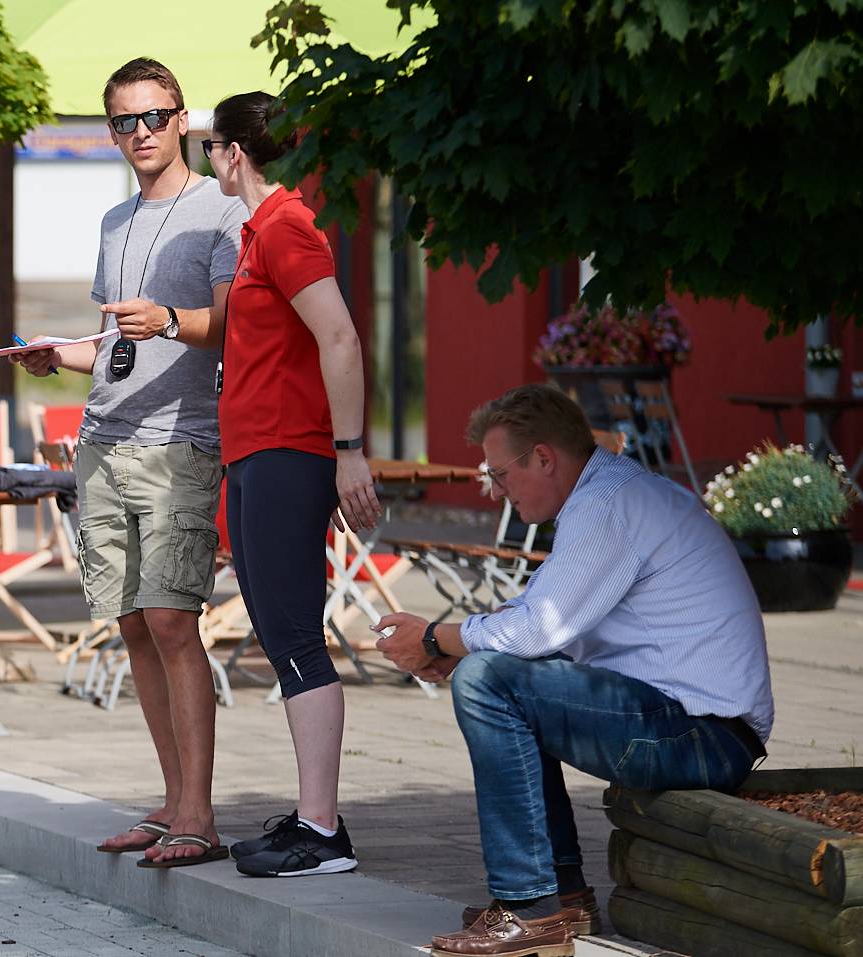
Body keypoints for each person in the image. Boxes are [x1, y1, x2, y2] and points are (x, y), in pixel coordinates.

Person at [376, 385, 772, 957]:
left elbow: (539, 628)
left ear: (543, 457)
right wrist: (449, 645)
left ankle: (531, 906)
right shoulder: (610, 495)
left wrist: (437, 638)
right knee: (498, 672)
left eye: (500, 474)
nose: (496, 492)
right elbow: (535, 621)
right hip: (697, 723)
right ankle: (560, 895)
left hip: (701, 735)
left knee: (487, 681)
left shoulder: (607, 505)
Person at [10, 57, 246, 867]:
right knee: (134, 625)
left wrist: (171, 319)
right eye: (122, 122)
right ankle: (173, 798)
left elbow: (232, 325)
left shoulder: (221, 208)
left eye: (152, 116)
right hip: (104, 443)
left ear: (183, 118)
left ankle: (200, 816)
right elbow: (116, 348)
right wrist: (55, 354)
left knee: (176, 621)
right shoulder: (114, 223)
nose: (139, 133)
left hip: (182, 440)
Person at [202, 92, 382, 878]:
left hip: (289, 452)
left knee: (296, 636)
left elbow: (339, 334)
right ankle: (312, 819)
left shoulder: (286, 228)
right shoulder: (256, 233)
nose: (208, 156)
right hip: (255, 454)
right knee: (280, 635)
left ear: (235, 152)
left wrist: (349, 450)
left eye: (210, 144)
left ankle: (323, 830)